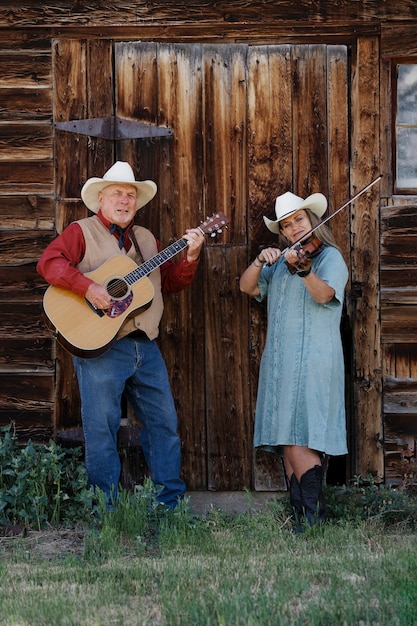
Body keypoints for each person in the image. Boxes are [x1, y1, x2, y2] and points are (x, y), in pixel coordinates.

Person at [37, 161, 205, 510]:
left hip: (145, 345)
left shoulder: (146, 240)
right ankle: (107, 513)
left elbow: (166, 283)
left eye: (131, 195)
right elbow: (49, 264)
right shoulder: (81, 231)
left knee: (164, 424)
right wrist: (88, 288)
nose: (125, 200)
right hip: (100, 348)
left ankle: (169, 507)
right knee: (101, 430)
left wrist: (190, 254)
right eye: (117, 193)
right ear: (101, 199)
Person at [239, 191, 348, 527]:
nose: (294, 229)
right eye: (286, 225)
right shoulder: (283, 265)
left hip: (314, 360)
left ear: (313, 220)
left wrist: (304, 271)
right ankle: (303, 518)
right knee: (288, 436)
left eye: (299, 220)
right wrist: (260, 261)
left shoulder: (329, 258)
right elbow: (247, 287)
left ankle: (315, 518)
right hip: (282, 362)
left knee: (301, 434)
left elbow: (325, 294)